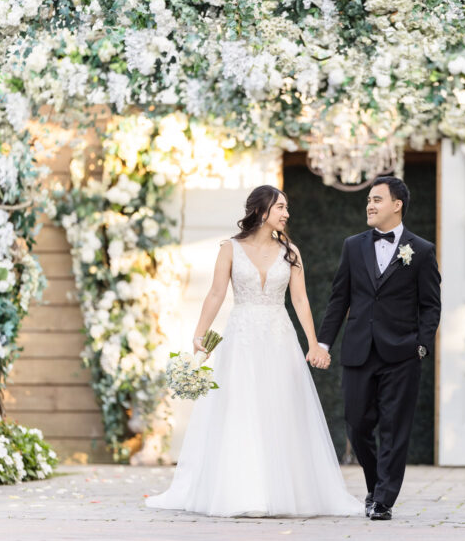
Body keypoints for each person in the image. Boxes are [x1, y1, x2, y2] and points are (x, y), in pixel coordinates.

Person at [146, 185, 362, 517]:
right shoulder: (230, 249)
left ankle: (285, 491)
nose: (287, 214)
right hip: (242, 337)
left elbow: (300, 299)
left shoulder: (291, 251)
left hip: (279, 337)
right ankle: (243, 492)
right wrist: (198, 334)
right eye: (281, 207)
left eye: (287, 208)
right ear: (261, 211)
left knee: (280, 407)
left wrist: (313, 343)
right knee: (241, 407)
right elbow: (216, 294)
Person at [317, 176, 442, 521]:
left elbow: (431, 305)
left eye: (377, 199)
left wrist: (422, 345)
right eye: (368, 200)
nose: (370, 205)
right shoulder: (353, 246)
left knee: (394, 427)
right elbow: (338, 298)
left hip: (402, 353)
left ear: (397, 204)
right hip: (359, 350)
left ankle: (384, 499)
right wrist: (324, 342)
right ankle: (375, 484)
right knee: (357, 423)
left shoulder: (422, 250)